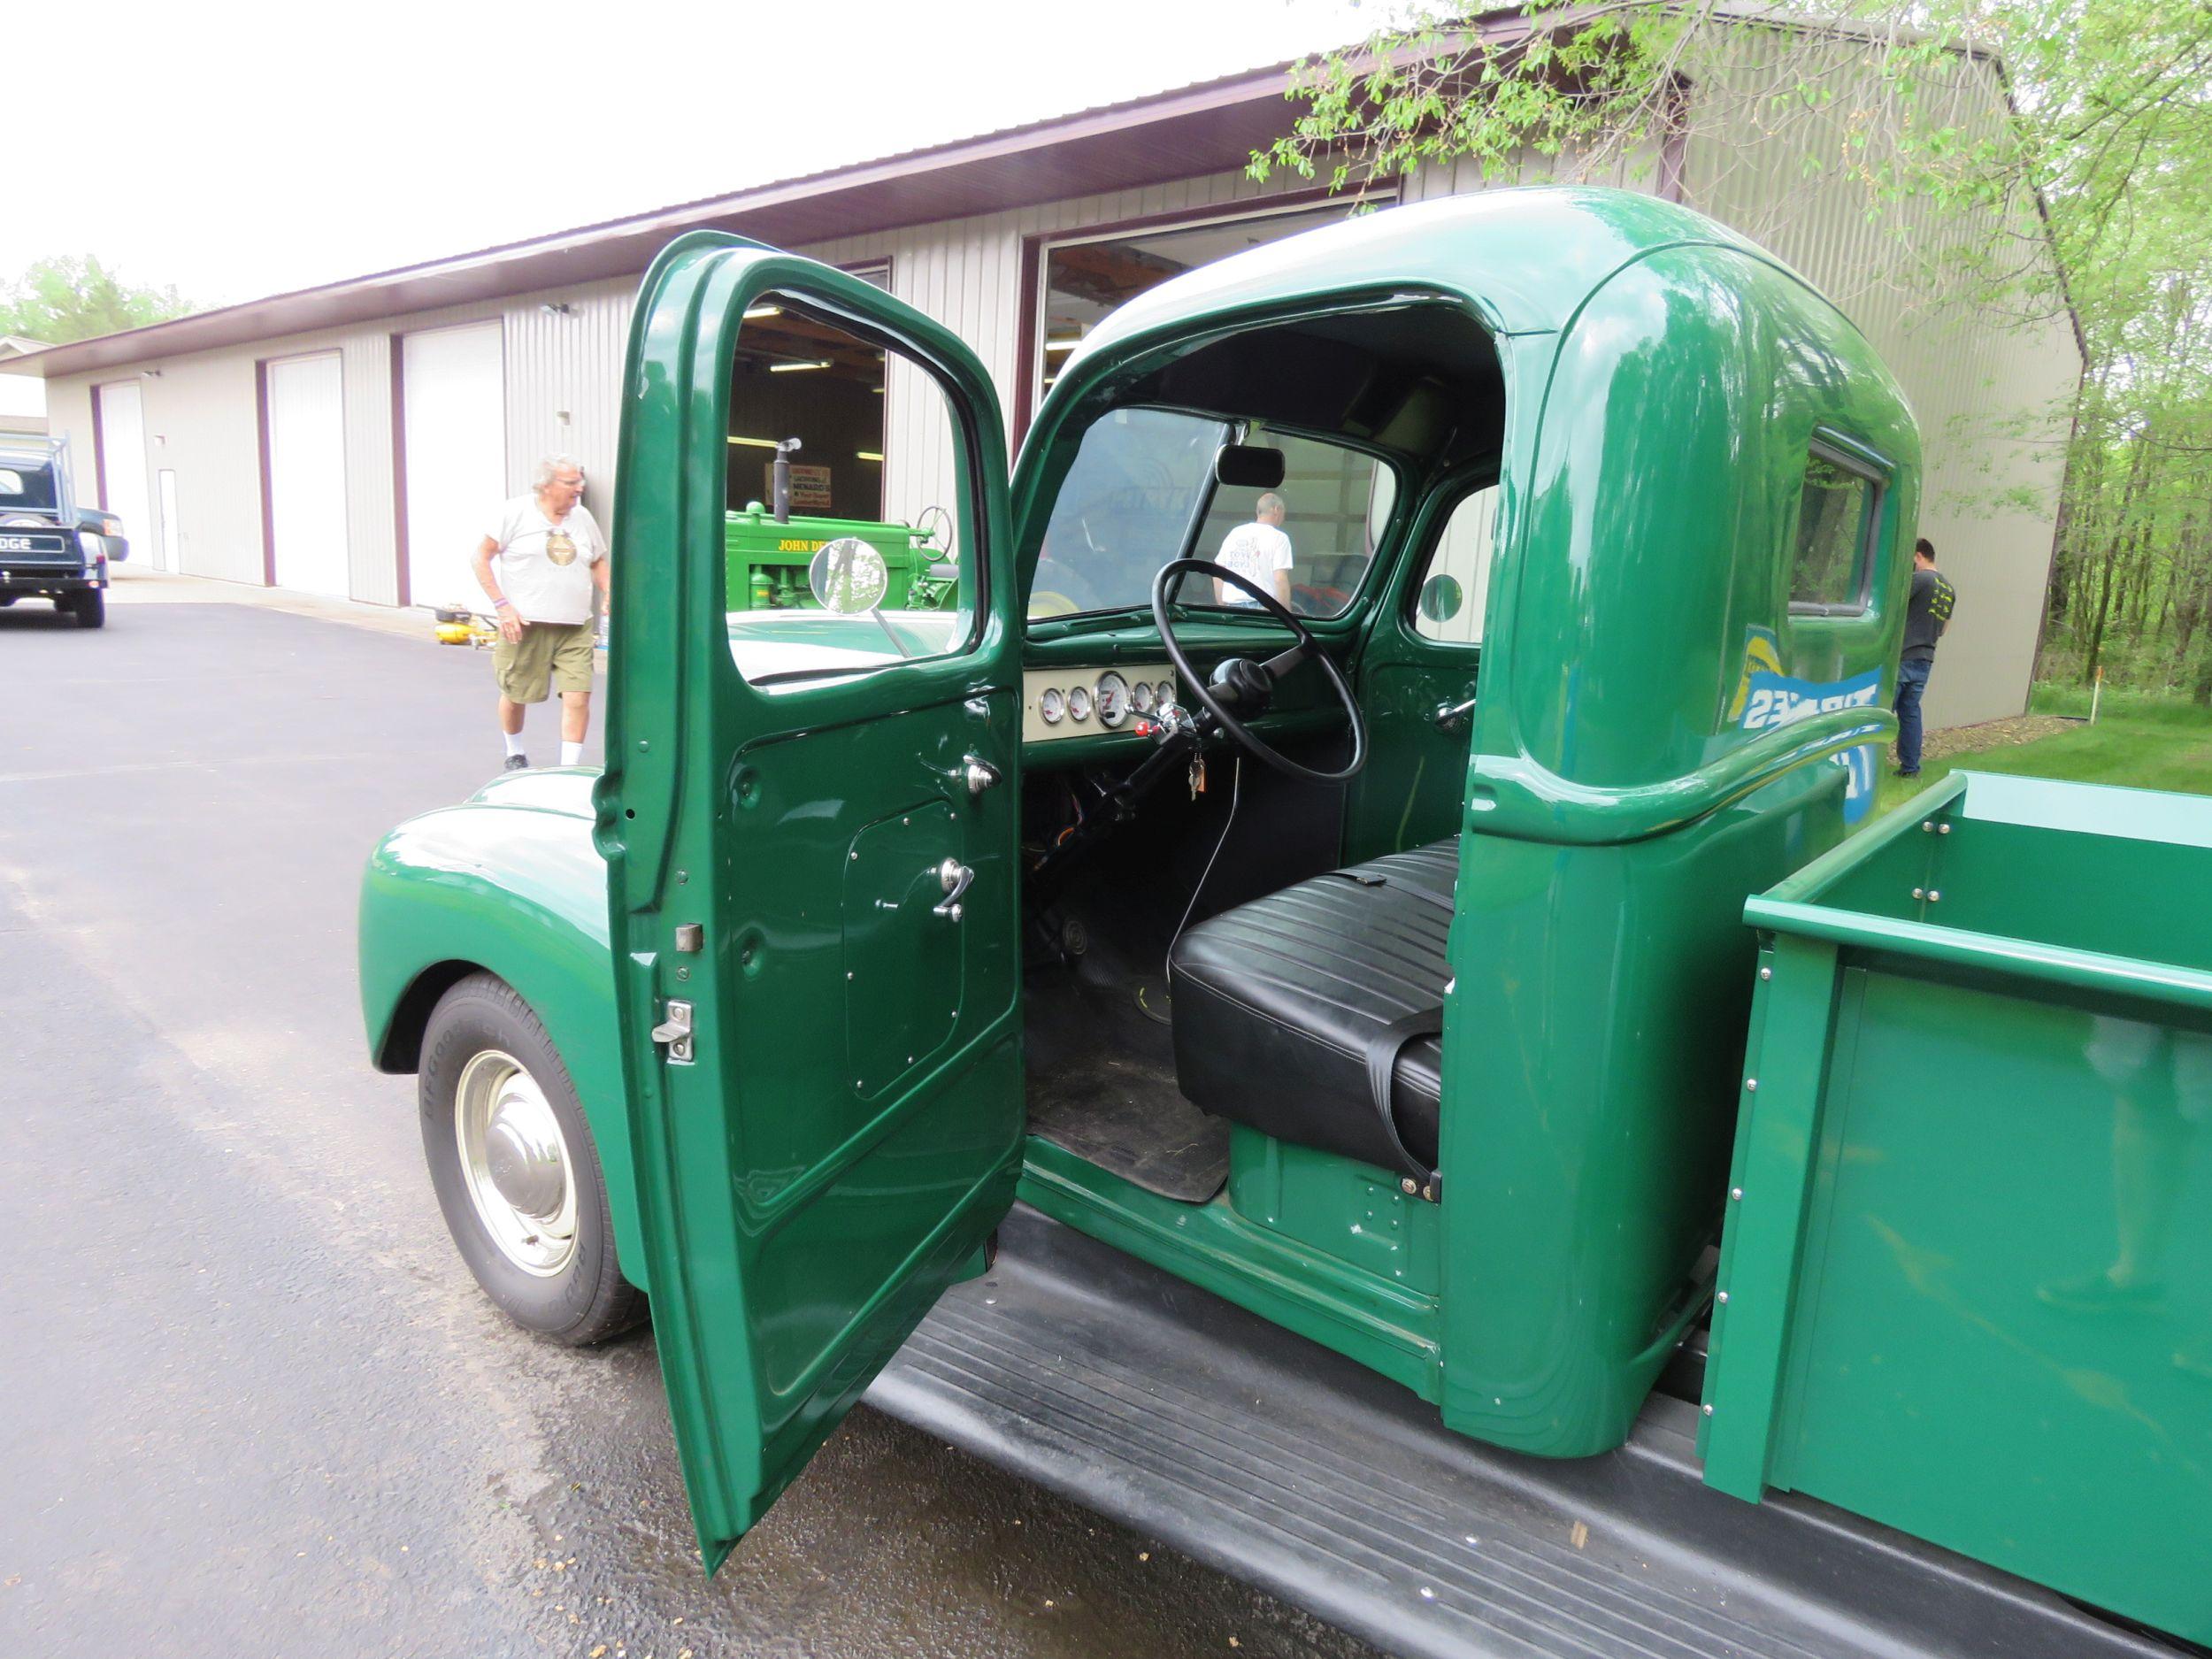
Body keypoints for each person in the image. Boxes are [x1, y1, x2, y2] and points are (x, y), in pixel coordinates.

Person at [473, 455, 610, 771]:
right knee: (516, 694)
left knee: (579, 696)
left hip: (575, 624)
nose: (580, 488)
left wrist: (608, 591)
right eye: (571, 482)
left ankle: (568, 768)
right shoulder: (515, 513)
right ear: (546, 485)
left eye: (580, 481)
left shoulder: (583, 517)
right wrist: (502, 606)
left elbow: (598, 560)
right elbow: (480, 558)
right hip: (525, 624)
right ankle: (514, 752)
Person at [1893, 536, 1956, 778]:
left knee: (1883, 708)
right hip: (1925, 658)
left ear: (1919, 555)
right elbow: (1944, 629)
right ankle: (1910, 768)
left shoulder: (1920, 579)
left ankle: (1867, 766)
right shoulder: (1949, 589)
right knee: (1910, 712)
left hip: (1904, 655)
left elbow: (1892, 606)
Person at [1213, 493, 1294, 609]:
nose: (1284, 518)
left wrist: (1221, 605)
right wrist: (1287, 615)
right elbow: (1280, 579)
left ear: (1258, 512)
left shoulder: (1235, 533)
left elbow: (1218, 572)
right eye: (1284, 514)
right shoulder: (1279, 538)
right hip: (1263, 608)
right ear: (1277, 509)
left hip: (1231, 607)